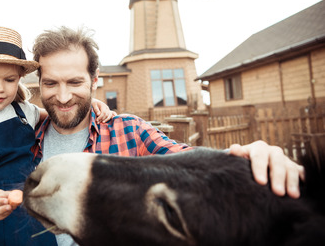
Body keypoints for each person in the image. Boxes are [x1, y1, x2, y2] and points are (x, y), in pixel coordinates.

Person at [31, 26, 305, 246]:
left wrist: (248, 158)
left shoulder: (129, 130)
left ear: (94, 80)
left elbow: (189, 162)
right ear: (39, 83)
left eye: (75, 82)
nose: (63, 96)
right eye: (51, 83)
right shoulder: (23, 138)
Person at [0, 25, 114, 246]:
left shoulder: (24, 111)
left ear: (20, 78)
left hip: (29, 219)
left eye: (9, 80)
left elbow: (58, 114)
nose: (0, 88)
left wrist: (90, 103)